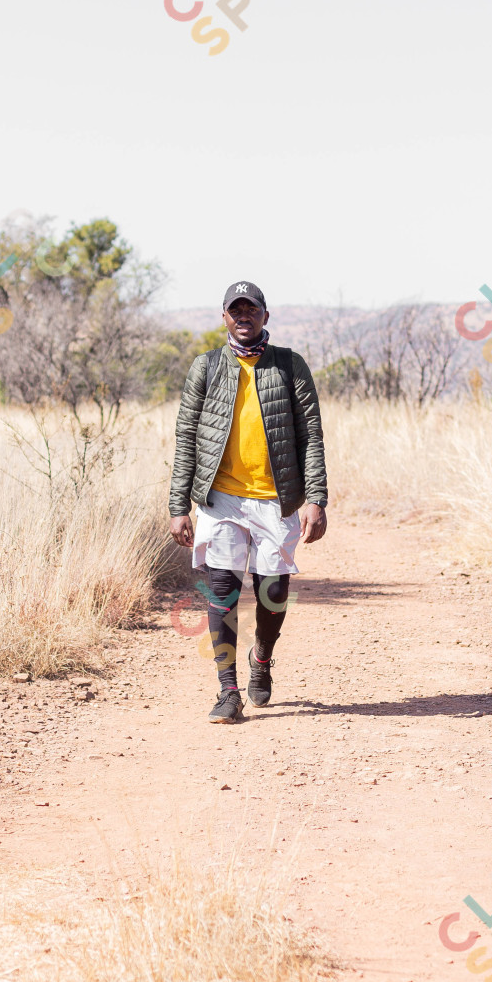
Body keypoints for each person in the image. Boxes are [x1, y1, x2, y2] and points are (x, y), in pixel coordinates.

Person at [168, 282, 328, 723]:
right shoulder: (206, 368)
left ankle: (262, 655)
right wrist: (178, 504)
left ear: (264, 316)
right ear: (224, 317)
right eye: (235, 310)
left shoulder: (289, 365)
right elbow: (186, 438)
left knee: (272, 592)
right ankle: (228, 690)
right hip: (220, 498)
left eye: (251, 309)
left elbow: (310, 434)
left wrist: (316, 496)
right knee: (222, 592)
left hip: (276, 499)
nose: (243, 316)